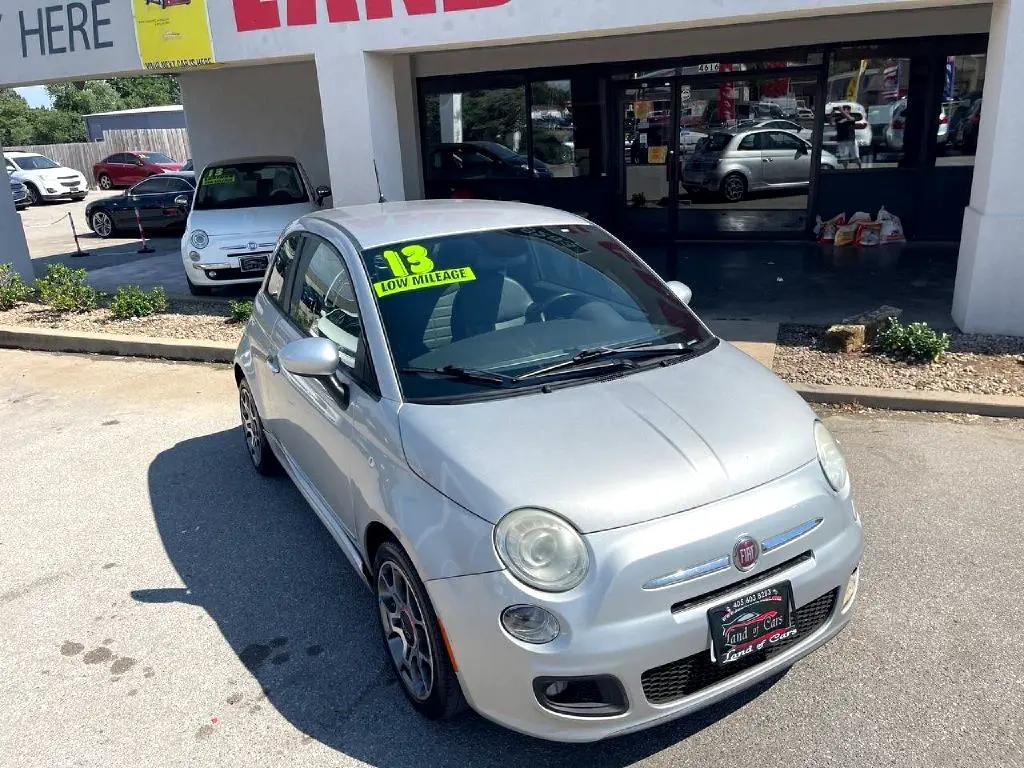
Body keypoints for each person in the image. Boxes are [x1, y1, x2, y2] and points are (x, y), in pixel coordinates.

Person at [834, 105, 862, 169]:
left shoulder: (852, 117)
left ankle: (860, 167)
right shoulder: (838, 118)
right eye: (843, 109)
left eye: (845, 109)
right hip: (841, 139)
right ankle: (845, 169)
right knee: (844, 157)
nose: (844, 110)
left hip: (851, 139)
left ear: (849, 110)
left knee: (855, 157)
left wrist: (841, 111)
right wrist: (831, 113)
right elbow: (833, 123)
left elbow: (850, 119)